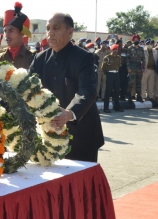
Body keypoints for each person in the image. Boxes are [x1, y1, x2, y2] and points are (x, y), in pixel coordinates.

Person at [29, 13, 104, 162]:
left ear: (70, 32)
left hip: (81, 137)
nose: (50, 32)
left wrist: (70, 113)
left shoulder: (84, 58)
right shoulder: (39, 59)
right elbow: (27, 89)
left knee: (82, 184)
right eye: (48, 28)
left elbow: (87, 90)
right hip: (49, 137)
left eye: (56, 28)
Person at [0, 2, 33, 69]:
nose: (7, 34)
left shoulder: (32, 56)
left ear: (22, 33)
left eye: (11, 31)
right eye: (5, 31)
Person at [101, 44, 123, 113]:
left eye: (116, 49)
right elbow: (103, 67)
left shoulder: (119, 57)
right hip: (109, 74)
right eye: (114, 50)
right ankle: (106, 108)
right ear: (111, 50)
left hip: (116, 74)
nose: (115, 51)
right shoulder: (107, 57)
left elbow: (119, 65)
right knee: (108, 91)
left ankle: (117, 107)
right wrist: (107, 73)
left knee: (117, 91)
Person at [127, 34, 145, 103]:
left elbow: (143, 59)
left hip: (139, 68)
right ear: (133, 40)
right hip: (132, 67)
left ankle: (139, 96)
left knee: (139, 83)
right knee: (130, 83)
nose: (136, 41)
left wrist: (143, 67)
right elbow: (127, 59)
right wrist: (128, 68)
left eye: (137, 40)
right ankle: (129, 96)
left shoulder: (141, 49)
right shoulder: (130, 48)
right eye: (135, 40)